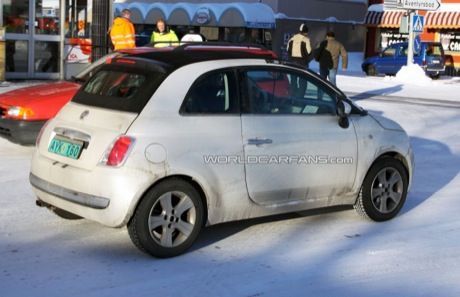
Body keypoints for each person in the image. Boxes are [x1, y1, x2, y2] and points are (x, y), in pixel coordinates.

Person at [287, 23, 312, 98]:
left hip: (292, 62)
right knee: (303, 81)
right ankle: (300, 98)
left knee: (293, 80)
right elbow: (309, 51)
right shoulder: (306, 40)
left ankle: (293, 96)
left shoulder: (292, 39)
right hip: (302, 63)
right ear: (306, 32)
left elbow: (288, 50)